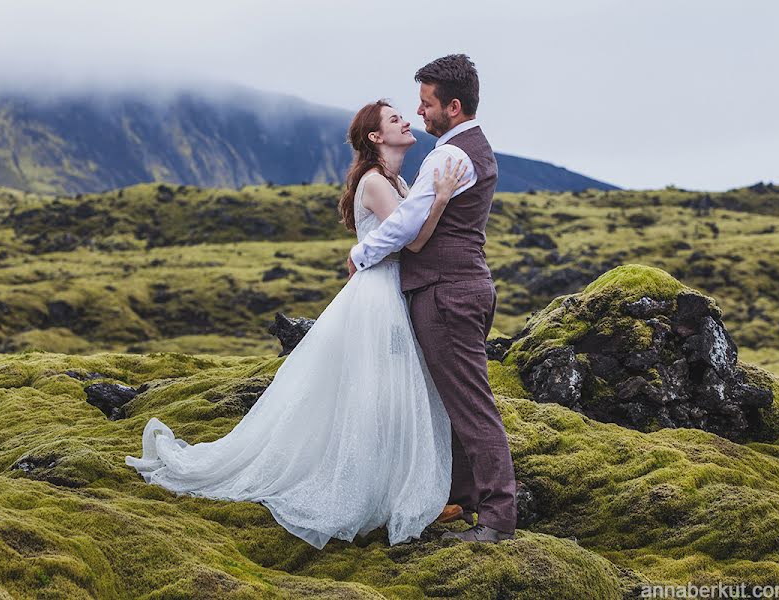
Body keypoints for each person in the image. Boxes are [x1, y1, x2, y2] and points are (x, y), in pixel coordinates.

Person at [125, 100, 469, 550]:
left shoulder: (395, 180)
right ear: (375, 137)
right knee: (375, 394)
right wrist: (441, 196)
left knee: (386, 393)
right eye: (394, 119)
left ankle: (394, 489)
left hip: (387, 292)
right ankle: (379, 494)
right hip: (378, 296)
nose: (406, 120)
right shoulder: (376, 183)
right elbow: (416, 241)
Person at [348, 54, 518, 543]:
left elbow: (403, 225)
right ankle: (464, 499)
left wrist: (361, 256)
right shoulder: (474, 149)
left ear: (454, 106)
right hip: (463, 286)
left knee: (470, 404)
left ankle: (497, 518)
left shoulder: (449, 156)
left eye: (426, 104)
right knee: (454, 400)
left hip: (446, 293)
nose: (419, 113)